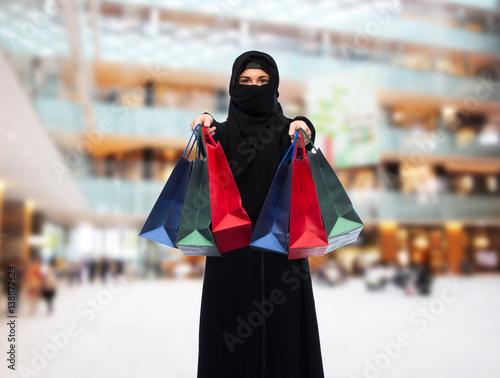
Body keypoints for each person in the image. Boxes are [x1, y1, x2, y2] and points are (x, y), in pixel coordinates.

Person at [190, 51, 324, 378]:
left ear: (274, 86)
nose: (254, 87)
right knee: (230, 335)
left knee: (283, 335)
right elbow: (206, 135)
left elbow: (302, 131)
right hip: (231, 254)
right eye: (246, 81)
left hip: (279, 253)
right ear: (234, 85)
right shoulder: (221, 135)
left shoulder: (284, 132)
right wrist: (204, 120)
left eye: (263, 81)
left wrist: (304, 127)